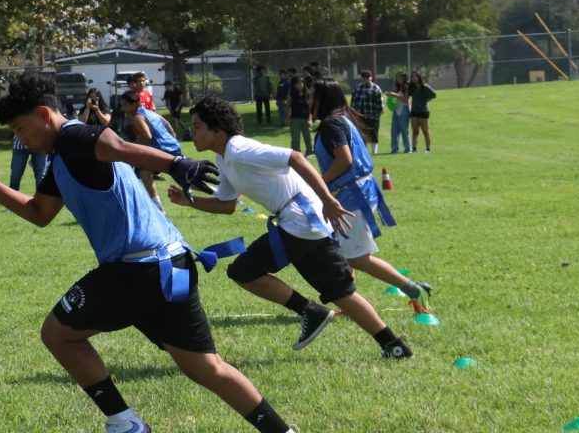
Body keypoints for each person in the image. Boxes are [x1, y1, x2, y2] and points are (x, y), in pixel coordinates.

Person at [0, 75, 297, 433]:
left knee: (58, 334)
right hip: (174, 265)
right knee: (207, 367)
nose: (21, 139)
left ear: (44, 114)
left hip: (139, 270)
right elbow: (39, 213)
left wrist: (176, 164)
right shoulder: (64, 157)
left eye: (20, 128)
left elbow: (115, 143)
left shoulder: (72, 137)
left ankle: (125, 424)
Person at [168, 96, 413, 359]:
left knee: (244, 271)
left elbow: (295, 157)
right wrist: (190, 202)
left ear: (217, 128)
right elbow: (226, 205)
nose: (190, 133)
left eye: (196, 127)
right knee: (341, 292)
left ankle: (311, 311)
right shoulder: (224, 157)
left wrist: (328, 200)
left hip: (300, 220)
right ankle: (393, 346)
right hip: (300, 223)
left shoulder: (240, 150)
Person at [311, 79, 432, 302]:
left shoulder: (332, 124)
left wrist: (319, 180)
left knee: (358, 258)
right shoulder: (342, 119)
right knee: (343, 251)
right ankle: (349, 300)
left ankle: (413, 289)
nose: (309, 100)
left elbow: (345, 160)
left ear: (322, 99)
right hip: (357, 191)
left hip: (353, 194)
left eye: (312, 96)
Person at [120, 89, 181, 211]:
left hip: (162, 149)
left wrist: (133, 147)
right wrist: (172, 137)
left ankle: (158, 207)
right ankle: (215, 191)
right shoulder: (150, 112)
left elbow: (147, 135)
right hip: (172, 146)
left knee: (143, 170)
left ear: (134, 104)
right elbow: (166, 122)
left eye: (125, 105)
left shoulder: (137, 116)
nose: (123, 109)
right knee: (183, 174)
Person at [349, 70, 384, 154]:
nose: (366, 79)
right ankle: (363, 150)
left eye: (367, 78)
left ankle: (374, 152)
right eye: (364, 78)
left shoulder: (376, 88)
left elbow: (380, 103)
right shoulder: (357, 88)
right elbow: (353, 102)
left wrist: (378, 113)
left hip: (373, 115)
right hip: (359, 117)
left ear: (371, 78)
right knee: (361, 134)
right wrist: (353, 114)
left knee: (374, 133)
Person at [408, 72, 437, 154]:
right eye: (412, 76)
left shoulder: (424, 87)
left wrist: (425, 101)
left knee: (425, 131)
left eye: (415, 76)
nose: (414, 78)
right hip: (414, 111)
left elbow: (434, 94)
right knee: (415, 131)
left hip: (423, 111)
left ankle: (427, 149)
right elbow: (407, 95)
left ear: (419, 77)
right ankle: (414, 149)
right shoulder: (412, 87)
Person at [287, 76, 313, 156]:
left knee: (308, 137)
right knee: (295, 138)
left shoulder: (307, 94)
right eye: (297, 84)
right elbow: (287, 106)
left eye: (300, 84)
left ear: (303, 84)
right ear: (294, 85)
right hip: (294, 119)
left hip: (305, 119)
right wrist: (287, 117)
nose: (299, 85)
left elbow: (310, 107)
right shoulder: (291, 94)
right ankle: (296, 153)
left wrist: (310, 119)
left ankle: (309, 152)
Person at [387, 73, 412, 154]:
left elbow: (405, 99)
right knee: (394, 130)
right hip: (396, 109)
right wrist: (390, 94)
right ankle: (394, 148)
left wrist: (395, 95)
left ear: (404, 78)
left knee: (404, 129)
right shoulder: (397, 87)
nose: (398, 80)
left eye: (400, 78)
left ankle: (407, 148)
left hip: (404, 109)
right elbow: (395, 97)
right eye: (397, 78)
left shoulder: (406, 87)